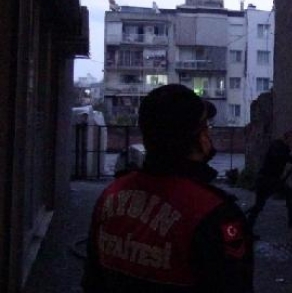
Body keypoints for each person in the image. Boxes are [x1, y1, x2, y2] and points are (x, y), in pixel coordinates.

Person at [82, 84, 254, 293]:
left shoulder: (111, 195)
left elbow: (92, 281)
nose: (209, 132)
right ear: (197, 137)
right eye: (205, 126)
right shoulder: (214, 212)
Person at [246, 130, 292, 234]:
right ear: (286, 137)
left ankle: (248, 228)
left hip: (269, 179)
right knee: (288, 194)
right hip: (267, 179)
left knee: (259, 206)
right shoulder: (277, 146)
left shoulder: (283, 148)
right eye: (291, 138)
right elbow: (284, 157)